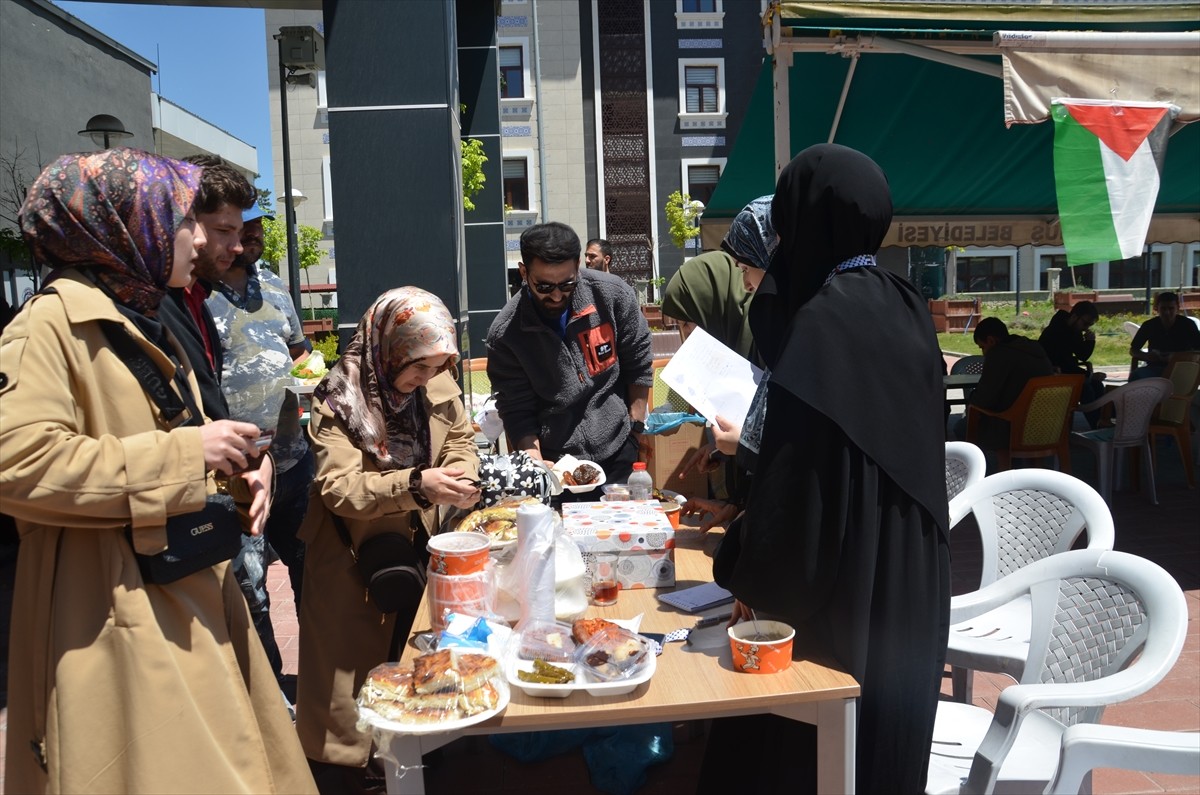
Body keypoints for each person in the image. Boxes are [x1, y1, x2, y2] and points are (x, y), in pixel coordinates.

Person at [0, 148, 315, 794]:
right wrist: (188, 456)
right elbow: (17, 461)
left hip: (184, 592)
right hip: (117, 619)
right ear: (124, 225)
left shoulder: (138, 315)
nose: (195, 237)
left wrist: (241, 475)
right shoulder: (48, 325)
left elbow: (176, 435)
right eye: (179, 220)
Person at [703, 144, 950, 794]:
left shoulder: (822, 324)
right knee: (887, 749)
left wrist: (741, 565)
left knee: (810, 753)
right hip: (912, 573)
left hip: (847, 584)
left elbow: (798, 499)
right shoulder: (906, 303)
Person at [296, 287, 480, 792]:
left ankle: (408, 754)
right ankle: (354, 770)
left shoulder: (436, 380)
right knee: (351, 687)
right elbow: (339, 490)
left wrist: (460, 472)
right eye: (419, 368)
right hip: (353, 558)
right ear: (390, 348)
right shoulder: (339, 398)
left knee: (415, 659)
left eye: (439, 366)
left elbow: (462, 439)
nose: (429, 378)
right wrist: (417, 484)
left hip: (420, 547)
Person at [206, 202, 314, 689]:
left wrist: (315, 373)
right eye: (238, 229)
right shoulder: (197, 296)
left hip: (294, 461)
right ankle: (270, 693)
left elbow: (300, 354)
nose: (251, 237)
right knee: (251, 586)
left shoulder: (273, 287)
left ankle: (320, 679)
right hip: (236, 476)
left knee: (314, 573)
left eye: (256, 228)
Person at [486, 222, 653, 484]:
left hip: (621, 446)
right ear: (523, 272)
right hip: (556, 464)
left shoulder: (613, 295)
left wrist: (636, 427)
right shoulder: (506, 335)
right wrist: (536, 463)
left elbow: (639, 363)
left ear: (578, 266)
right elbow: (517, 410)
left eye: (566, 284)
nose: (555, 295)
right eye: (543, 287)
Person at [962, 316, 1056, 450]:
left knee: (961, 427)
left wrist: (971, 399)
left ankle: (997, 468)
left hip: (1013, 428)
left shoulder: (999, 355)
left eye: (982, 347)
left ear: (991, 340)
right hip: (1048, 427)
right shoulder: (1036, 349)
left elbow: (984, 399)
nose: (983, 353)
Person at [1039, 300, 1105, 419]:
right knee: (1086, 389)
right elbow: (1063, 363)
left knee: (1097, 385)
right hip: (1054, 373)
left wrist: (1090, 342)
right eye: (1085, 324)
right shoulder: (1056, 332)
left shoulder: (1075, 330)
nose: (1086, 328)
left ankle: (1102, 420)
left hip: (1066, 371)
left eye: (1089, 325)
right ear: (1074, 316)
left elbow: (1082, 356)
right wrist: (1088, 375)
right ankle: (1097, 423)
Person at [1129, 291, 1200, 380]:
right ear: (1157, 309)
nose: (1167, 312)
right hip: (1154, 367)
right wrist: (1146, 356)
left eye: (1171, 309)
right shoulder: (1149, 325)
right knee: (1136, 375)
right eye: (1163, 308)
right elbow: (1133, 349)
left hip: (1181, 368)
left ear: (1177, 308)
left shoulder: (1188, 325)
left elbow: (1198, 351)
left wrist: (1176, 357)